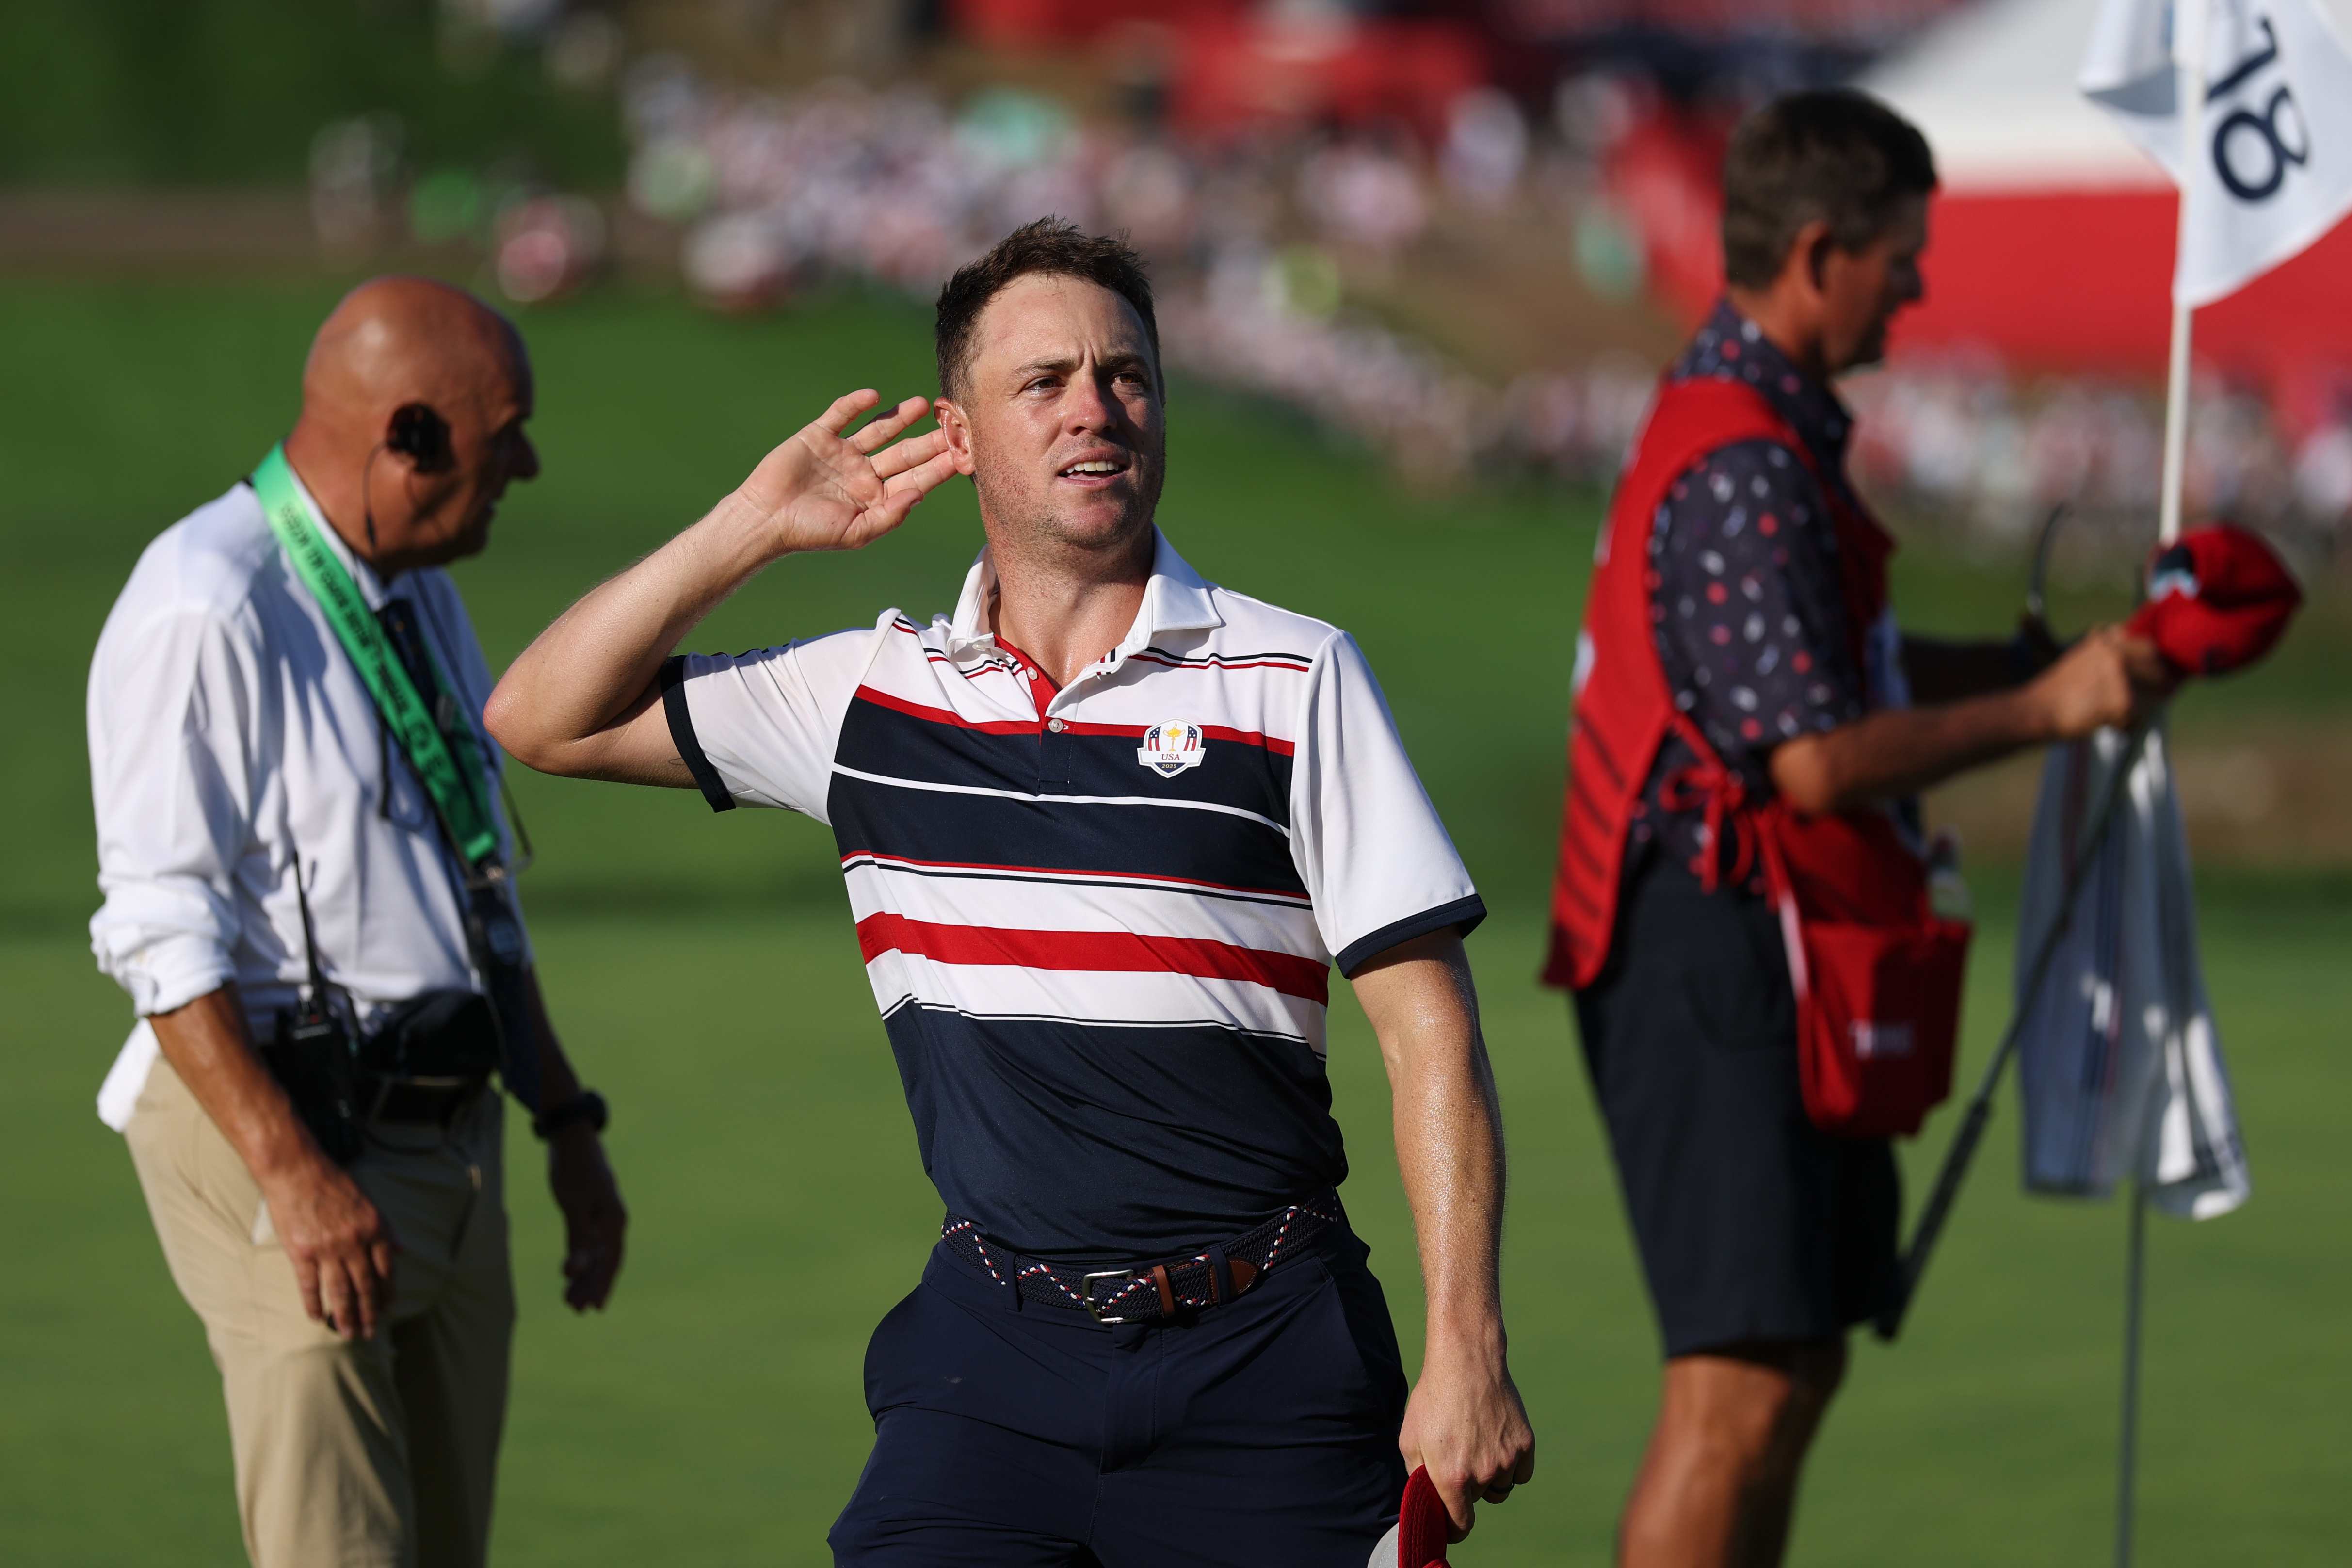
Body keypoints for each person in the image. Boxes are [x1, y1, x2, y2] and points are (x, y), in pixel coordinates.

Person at [486, 218, 1536, 1565]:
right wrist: (752, 529)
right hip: (990, 1356)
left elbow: (1428, 1028)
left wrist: (1466, 1343)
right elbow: (541, 716)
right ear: (963, 434)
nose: (1096, 408)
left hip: (1268, 1351)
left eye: (1127, 375)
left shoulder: (1295, 677)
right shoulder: (867, 697)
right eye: (1044, 381)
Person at [1541, 93, 2175, 1568]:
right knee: (1736, 1392)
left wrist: (2022, 668)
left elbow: (1827, 678)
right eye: (1901, 253)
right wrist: (2048, 706)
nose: (1918, 283)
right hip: (1713, 943)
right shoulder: (1746, 458)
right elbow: (1816, 758)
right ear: (1820, 253)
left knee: (1795, 1366)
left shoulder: (1752, 425)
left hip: (1742, 935)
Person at [87, 277, 627, 1568]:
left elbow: (473, 892)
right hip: (293, 1134)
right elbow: (161, 930)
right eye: (505, 436)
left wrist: (565, 1120)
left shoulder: (417, 588)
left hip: (453, 1139)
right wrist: (294, 1174)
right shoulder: (207, 600)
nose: (527, 469)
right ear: (410, 436)